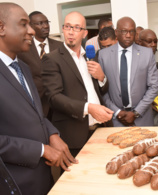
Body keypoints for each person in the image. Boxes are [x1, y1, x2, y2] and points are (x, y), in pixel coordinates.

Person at [0, 3, 76, 195]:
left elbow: (36, 111)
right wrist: (41, 150)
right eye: (24, 24)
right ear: (1, 28)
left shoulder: (23, 67)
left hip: (42, 177)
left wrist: (52, 134)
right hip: (14, 182)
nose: (32, 31)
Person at [42, 11, 113, 157]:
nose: (71, 32)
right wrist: (89, 108)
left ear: (85, 33)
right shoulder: (52, 59)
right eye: (68, 27)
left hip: (100, 129)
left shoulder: (90, 56)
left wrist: (102, 78)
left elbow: (102, 90)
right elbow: (54, 98)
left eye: (76, 28)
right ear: (63, 29)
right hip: (73, 135)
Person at [98, 17, 158, 127]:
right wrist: (117, 112)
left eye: (131, 31)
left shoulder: (147, 54)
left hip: (142, 117)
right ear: (116, 32)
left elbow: (153, 86)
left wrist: (136, 113)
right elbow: (102, 89)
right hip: (116, 119)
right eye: (124, 31)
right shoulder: (103, 55)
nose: (128, 35)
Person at [18, 11, 63, 117]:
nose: (46, 26)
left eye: (47, 22)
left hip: (60, 105)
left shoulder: (60, 46)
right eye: (40, 23)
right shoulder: (23, 49)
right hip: (38, 105)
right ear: (30, 26)